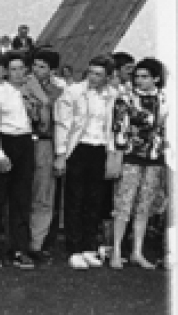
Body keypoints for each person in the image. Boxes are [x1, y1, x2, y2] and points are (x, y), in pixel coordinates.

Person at [53, 55, 118, 270]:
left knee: (95, 201)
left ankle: (89, 248)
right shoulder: (73, 92)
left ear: (108, 76)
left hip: (99, 149)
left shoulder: (112, 95)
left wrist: (111, 154)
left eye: (99, 74)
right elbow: (63, 124)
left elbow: (111, 128)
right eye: (91, 72)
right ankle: (74, 249)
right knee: (74, 200)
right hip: (77, 149)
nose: (93, 77)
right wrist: (61, 154)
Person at [0, 52, 37, 268]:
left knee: (21, 198)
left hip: (25, 141)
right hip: (4, 140)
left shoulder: (29, 92)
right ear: (6, 71)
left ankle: (19, 249)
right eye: (13, 69)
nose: (18, 73)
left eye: (22, 68)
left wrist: (33, 104)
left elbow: (38, 120)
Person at [110, 57, 169, 269]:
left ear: (156, 78)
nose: (140, 80)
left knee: (144, 206)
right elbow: (119, 128)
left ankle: (137, 251)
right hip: (130, 156)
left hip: (155, 158)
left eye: (145, 76)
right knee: (124, 204)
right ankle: (116, 251)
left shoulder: (164, 99)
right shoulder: (125, 97)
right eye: (137, 76)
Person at [25, 49, 66, 260]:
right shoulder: (21, 86)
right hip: (23, 141)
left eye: (42, 67)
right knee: (21, 193)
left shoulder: (59, 91)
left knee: (43, 195)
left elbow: (55, 119)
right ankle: (19, 243)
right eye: (35, 65)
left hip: (45, 143)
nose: (36, 70)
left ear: (52, 70)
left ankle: (36, 243)